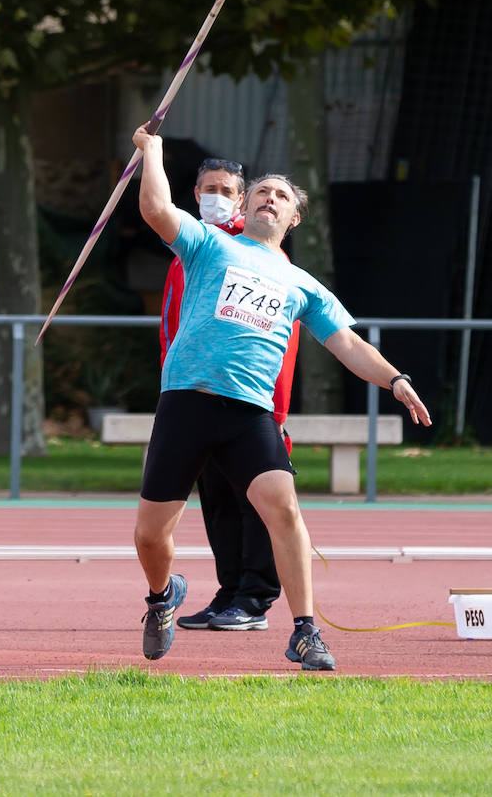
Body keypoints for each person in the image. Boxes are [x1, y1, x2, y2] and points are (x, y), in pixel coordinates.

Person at [131, 123, 431, 671]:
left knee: (284, 510)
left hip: (250, 414)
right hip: (188, 403)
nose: (271, 198)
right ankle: (161, 598)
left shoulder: (304, 285)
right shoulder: (209, 244)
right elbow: (155, 209)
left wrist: (395, 379)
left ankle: (305, 630)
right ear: (248, 205)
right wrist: (153, 152)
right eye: (263, 191)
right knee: (151, 537)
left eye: (283, 196)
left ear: (294, 218)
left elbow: (348, 343)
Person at [160, 157, 294, 634]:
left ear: (241, 198)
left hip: (247, 400)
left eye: (227, 189)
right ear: (195, 193)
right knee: (215, 500)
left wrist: (277, 409)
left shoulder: (251, 252)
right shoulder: (195, 246)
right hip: (190, 396)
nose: (217, 195)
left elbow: (279, 342)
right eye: (208, 187)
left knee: (254, 502)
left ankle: (255, 597)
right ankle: (229, 590)